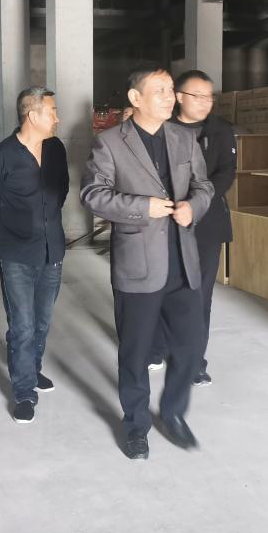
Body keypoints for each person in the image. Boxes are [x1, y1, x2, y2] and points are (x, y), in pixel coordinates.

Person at [80, 66, 214, 460]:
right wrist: (143, 208)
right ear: (135, 98)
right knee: (136, 352)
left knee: (190, 346)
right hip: (138, 265)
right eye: (160, 90)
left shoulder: (184, 138)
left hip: (183, 263)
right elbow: (93, 195)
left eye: (171, 89)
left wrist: (194, 207)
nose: (170, 97)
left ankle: (173, 412)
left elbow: (204, 186)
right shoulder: (110, 143)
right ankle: (136, 425)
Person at [0, 87, 68, 424]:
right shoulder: (1, 156)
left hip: (52, 249)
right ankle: (24, 391)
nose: (57, 118)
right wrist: (17, 223)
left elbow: (62, 190)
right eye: (52, 111)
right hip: (16, 254)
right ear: (33, 115)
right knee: (23, 325)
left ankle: (32, 368)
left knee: (42, 322)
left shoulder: (56, 149)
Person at [150, 70, 236, 385]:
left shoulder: (221, 130)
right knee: (161, 287)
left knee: (200, 294)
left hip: (207, 222)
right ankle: (158, 348)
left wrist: (196, 202)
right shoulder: (161, 128)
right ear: (179, 97)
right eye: (197, 96)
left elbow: (226, 173)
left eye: (209, 97)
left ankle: (195, 360)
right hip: (166, 221)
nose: (204, 102)